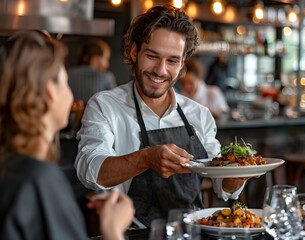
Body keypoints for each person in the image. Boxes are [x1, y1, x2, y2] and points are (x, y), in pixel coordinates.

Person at [75, 5, 248, 227]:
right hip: (131, 232)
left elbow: (221, 183)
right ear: (134, 51)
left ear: (183, 63)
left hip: (190, 231)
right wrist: (146, 158)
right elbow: (90, 170)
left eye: (172, 61)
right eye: (152, 56)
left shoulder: (199, 115)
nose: (161, 70)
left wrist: (239, 174)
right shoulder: (106, 105)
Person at [0, 30, 134, 240]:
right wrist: (113, 229)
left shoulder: (9, 167)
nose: (70, 94)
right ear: (49, 91)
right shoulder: (41, 180)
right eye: (64, 82)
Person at [68, 38, 117, 102]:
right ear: (95, 59)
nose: (107, 64)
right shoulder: (106, 77)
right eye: (105, 58)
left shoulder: (68, 73)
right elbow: (114, 101)